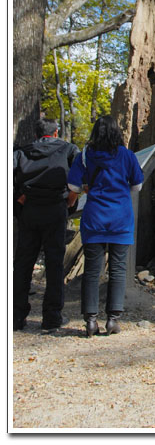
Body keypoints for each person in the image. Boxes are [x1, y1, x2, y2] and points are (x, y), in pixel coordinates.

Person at [67, 115, 144, 337]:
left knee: (92, 270)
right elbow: (137, 185)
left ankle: (90, 321)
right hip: (120, 217)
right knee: (118, 269)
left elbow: (73, 185)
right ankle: (113, 319)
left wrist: (87, 186)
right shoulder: (127, 155)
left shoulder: (85, 155)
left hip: (94, 217)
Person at [13, 119, 79, 332]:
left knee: (23, 263)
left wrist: (18, 197)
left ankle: (15, 316)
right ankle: (51, 318)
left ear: (36, 134)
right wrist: (70, 199)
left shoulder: (22, 152)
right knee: (54, 264)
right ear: (57, 132)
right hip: (55, 209)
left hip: (30, 210)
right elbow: (81, 174)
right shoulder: (68, 150)